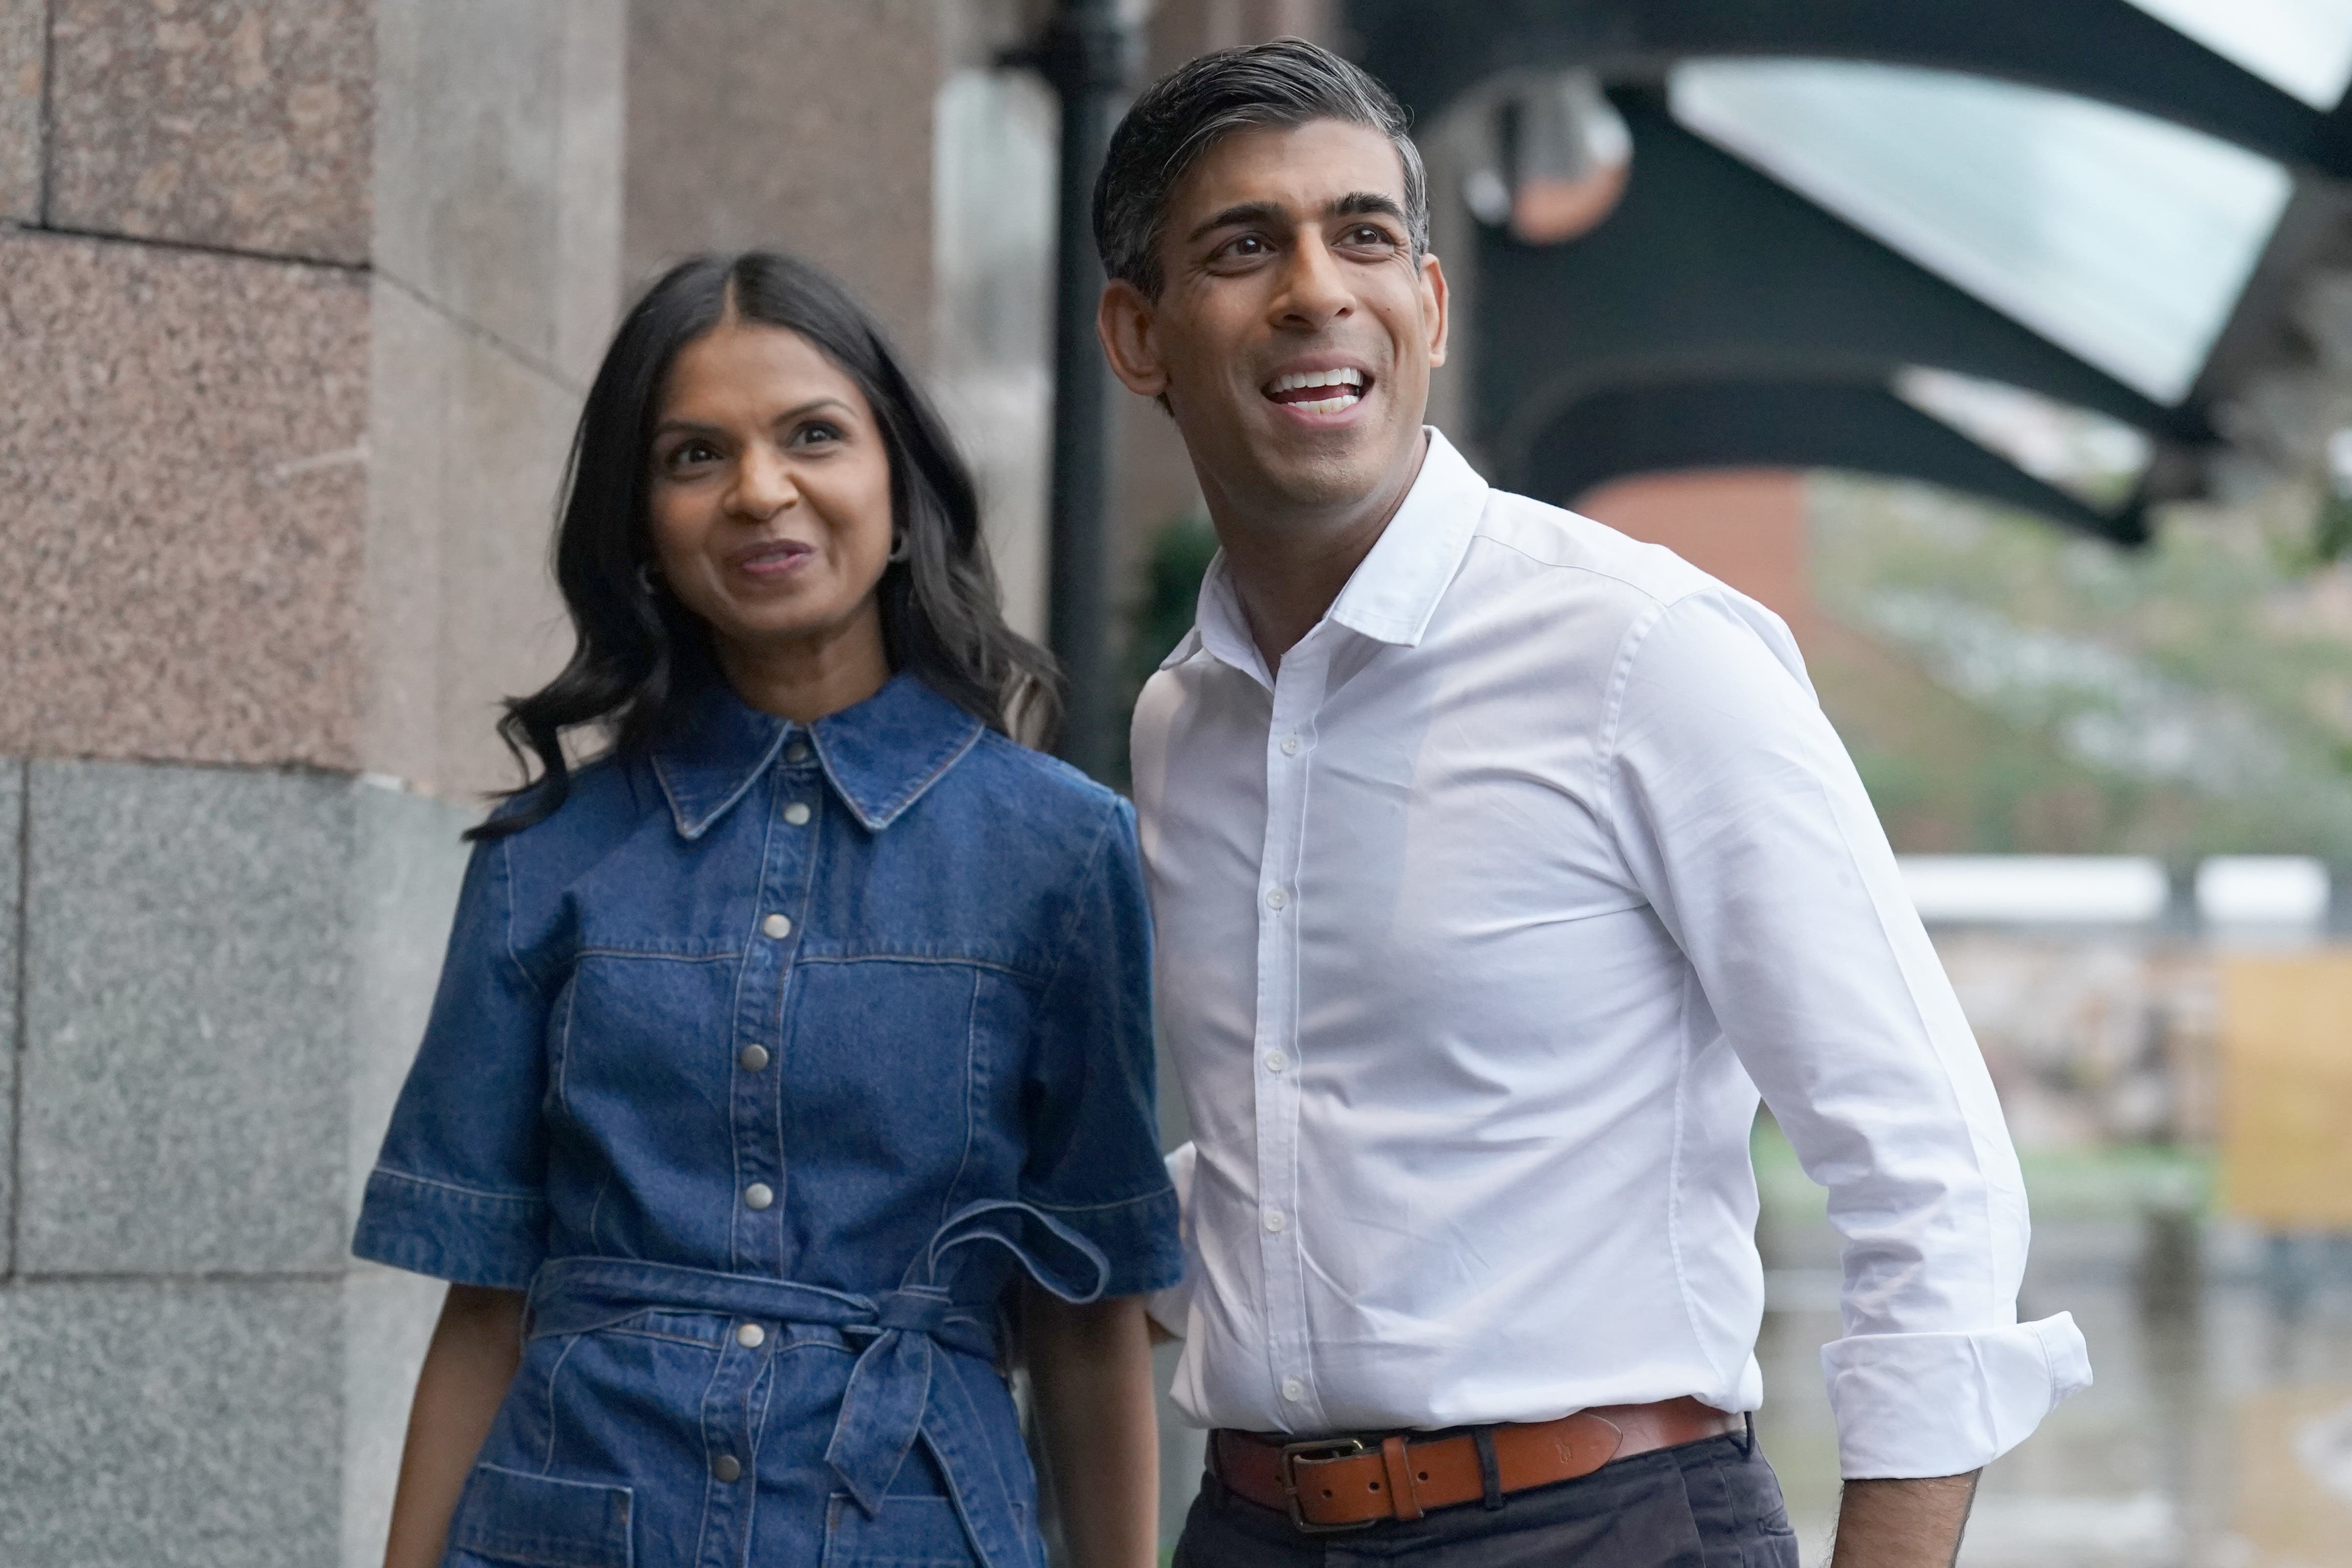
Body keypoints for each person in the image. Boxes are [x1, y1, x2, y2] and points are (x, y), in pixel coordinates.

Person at [1098, 40, 2091, 1568]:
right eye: (1243, 247)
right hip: (1251, 1526)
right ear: (1138, 335)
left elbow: (1928, 1173)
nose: (1313, 289)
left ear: (1428, 306)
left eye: (1361, 234)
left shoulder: (1644, 652)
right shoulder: (1187, 720)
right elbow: (1303, 1134)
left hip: (1601, 1528)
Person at [355, 251, 1179, 1568]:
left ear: (898, 490)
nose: (757, 490)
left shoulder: (1063, 853)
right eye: (694, 455)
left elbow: (1089, 1311)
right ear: (641, 526)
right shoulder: (544, 855)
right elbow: (485, 1299)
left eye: (812, 435)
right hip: (572, 1519)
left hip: (910, 1525)